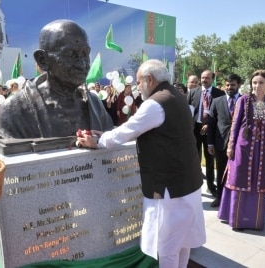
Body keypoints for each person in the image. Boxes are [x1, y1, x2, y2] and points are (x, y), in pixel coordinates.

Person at [77, 59, 206, 268]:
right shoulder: (177, 97)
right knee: (183, 241)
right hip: (188, 182)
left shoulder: (155, 104)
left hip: (169, 188)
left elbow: (128, 130)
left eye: (139, 82)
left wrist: (98, 141)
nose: (138, 87)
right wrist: (107, 135)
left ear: (149, 79)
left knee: (167, 247)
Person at [0, 19, 113, 139]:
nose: (82, 64)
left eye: (85, 54)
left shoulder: (95, 105)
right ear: (43, 60)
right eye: (70, 54)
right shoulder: (14, 112)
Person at [218, 69, 265, 231]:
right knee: (239, 179)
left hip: (261, 149)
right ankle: (236, 219)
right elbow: (235, 125)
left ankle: (253, 220)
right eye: (254, 82)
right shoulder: (244, 100)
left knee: (257, 183)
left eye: (261, 82)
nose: (257, 85)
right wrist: (231, 146)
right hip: (242, 148)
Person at [187, 70, 225, 197]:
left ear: (212, 79)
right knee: (193, 158)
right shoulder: (193, 92)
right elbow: (188, 111)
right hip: (195, 130)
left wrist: (209, 124)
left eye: (207, 78)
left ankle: (210, 186)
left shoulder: (219, 93)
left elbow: (221, 113)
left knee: (209, 159)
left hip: (211, 130)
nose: (204, 80)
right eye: (202, 77)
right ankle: (194, 185)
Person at [207, 74, 242, 207]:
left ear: (238, 84)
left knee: (237, 172)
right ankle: (220, 197)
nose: (229, 87)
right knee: (221, 171)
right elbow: (211, 124)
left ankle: (235, 200)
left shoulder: (245, 101)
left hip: (239, 144)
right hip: (220, 143)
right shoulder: (217, 101)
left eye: (232, 85)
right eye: (227, 85)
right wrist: (210, 143)